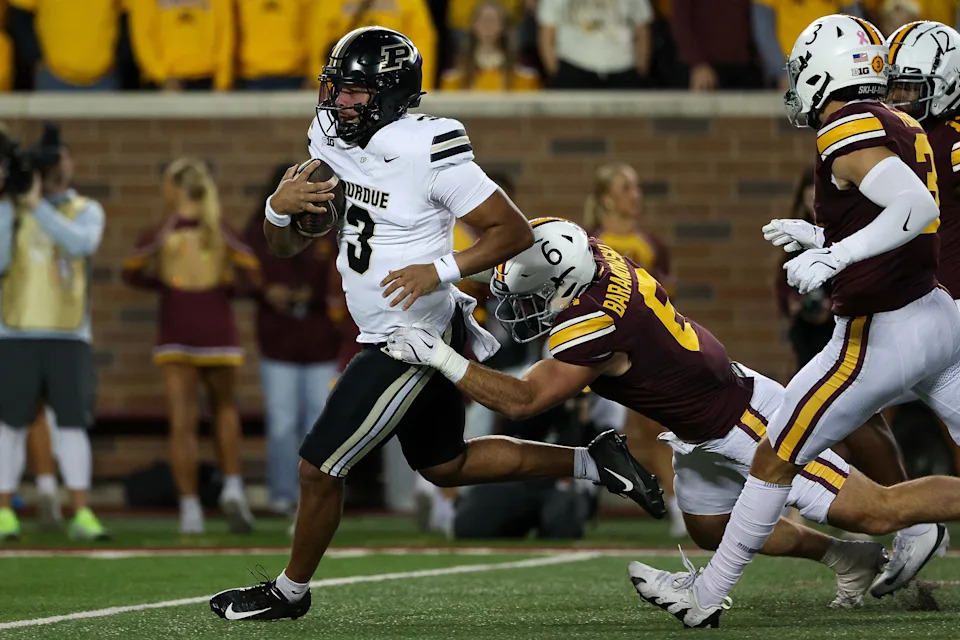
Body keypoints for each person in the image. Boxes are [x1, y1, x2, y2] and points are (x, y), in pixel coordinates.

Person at [209, 26, 664, 622]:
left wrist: (440, 269)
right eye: (337, 90)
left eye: (355, 93)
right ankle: (592, 460)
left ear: (392, 95)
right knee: (445, 463)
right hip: (388, 328)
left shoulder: (428, 148)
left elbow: (513, 231)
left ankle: (288, 592)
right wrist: (278, 208)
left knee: (318, 468)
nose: (339, 104)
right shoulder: (329, 138)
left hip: (411, 335)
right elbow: (288, 244)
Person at [629, 14, 960, 627]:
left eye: (803, 69)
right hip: (940, 317)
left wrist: (837, 254)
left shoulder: (848, 123)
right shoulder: (904, 121)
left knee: (774, 458)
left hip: (881, 332)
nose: (796, 81)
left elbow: (915, 209)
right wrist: (822, 233)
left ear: (827, 70)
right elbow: (887, 214)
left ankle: (706, 596)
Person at [122, 157, 258, 535]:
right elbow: (252, 273)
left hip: (177, 331)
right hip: (217, 330)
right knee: (225, 411)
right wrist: (227, 287)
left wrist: (165, 287)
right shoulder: (221, 229)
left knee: (181, 422)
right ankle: (232, 488)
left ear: (176, 188)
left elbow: (130, 270)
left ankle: (190, 509)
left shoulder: (162, 230)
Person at [0, 124, 108, 541]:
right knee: (9, 424)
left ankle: (80, 510)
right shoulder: (10, 209)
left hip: (69, 333)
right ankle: (5, 509)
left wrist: (36, 205)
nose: (55, 166)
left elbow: (80, 245)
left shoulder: (86, 208)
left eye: (60, 157)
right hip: (15, 330)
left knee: (72, 424)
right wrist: (14, 204)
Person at [582, 163, 682, 535]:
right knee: (599, 428)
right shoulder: (588, 244)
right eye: (626, 188)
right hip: (600, 351)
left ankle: (677, 508)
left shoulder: (650, 245)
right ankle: (579, 503)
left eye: (637, 188)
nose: (635, 195)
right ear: (607, 198)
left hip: (643, 348)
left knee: (658, 426)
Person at [243, 164, 341, 516]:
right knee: (282, 421)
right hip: (279, 339)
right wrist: (267, 291)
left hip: (320, 340)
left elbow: (338, 280)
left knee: (320, 420)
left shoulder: (329, 231)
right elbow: (244, 274)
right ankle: (283, 494)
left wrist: (309, 295)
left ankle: (317, 496)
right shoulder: (260, 231)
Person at [775, 169, 834, 371]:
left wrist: (832, 305)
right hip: (806, 333)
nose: (814, 206)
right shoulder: (797, 235)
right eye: (809, 199)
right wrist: (792, 302)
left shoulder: (842, 233)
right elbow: (784, 280)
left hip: (838, 328)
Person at [537, 0, 653, 89]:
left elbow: (642, 31)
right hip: (572, 67)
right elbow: (547, 33)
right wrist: (555, 72)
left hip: (624, 70)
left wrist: (640, 71)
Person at [9, 0, 122, 90]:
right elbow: (20, 16)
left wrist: (118, 59)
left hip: (104, 78)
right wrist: (35, 59)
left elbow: (127, 16)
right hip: (53, 77)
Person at [751, 0, 864, 87]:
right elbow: (764, 32)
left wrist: (848, 66)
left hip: (832, 69)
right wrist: (782, 73)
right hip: (791, 70)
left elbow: (854, 26)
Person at [127, 0, 233, 91]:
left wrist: (222, 82)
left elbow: (225, 34)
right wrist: (162, 76)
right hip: (161, 84)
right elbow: (143, 35)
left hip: (207, 81)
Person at [440, 1, 540, 91]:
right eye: (483, 20)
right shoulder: (453, 79)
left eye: (493, 20)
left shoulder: (525, 77)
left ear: (503, 26)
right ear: (473, 25)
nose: (487, 25)